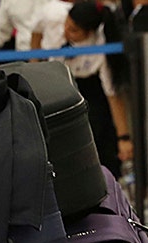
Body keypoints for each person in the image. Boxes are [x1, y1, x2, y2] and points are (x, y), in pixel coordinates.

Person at [29, 0, 124, 177]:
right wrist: (33, 64)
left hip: (90, 92)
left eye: (73, 30)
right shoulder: (53, 15)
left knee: (97, 144)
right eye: (67, 25)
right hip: (55, 86)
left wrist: (123, 138)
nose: (66, 31)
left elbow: (112, 94)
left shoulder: (100, 47)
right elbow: (36, 31)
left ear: (88, 33)